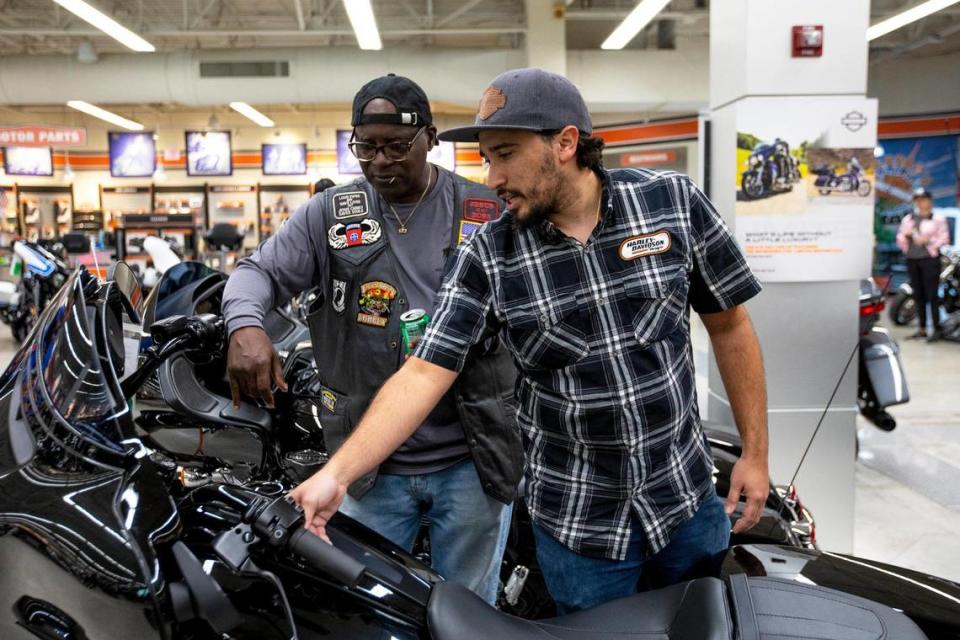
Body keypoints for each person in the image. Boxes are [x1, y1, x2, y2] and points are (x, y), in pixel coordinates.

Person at [291, 68, 769, 614]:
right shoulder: (489, 255)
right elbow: (425, 373)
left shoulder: (673, 204)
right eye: (486, 159)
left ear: (566, 143)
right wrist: (337, 474)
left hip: (685, 505)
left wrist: (755, 452)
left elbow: (730, 324)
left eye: (505, 154)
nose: (491, 177)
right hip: (580, 531)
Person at [222, 74, 521, 605]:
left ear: (429, 138)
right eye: (366, 147)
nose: (380, 161)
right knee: (369, 609)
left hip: (471, 461)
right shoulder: (332, 215)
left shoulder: (486, 211)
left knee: (470, 612)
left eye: (396, 146)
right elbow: (256, 272)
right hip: (366, 471)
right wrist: (245, 324)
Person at [896, 188, 950, 342]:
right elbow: (900, 237)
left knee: (932, 295)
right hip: (913, 258)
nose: (920, 203)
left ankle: (937, 328)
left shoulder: (938, 219)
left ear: (929, 201)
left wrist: (929, 241)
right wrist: (906, 238)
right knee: (918, 294)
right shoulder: (909, 219)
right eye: (918, 200)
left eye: (923, 199)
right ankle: (921, 329)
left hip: (929, 259)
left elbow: (945, 238)